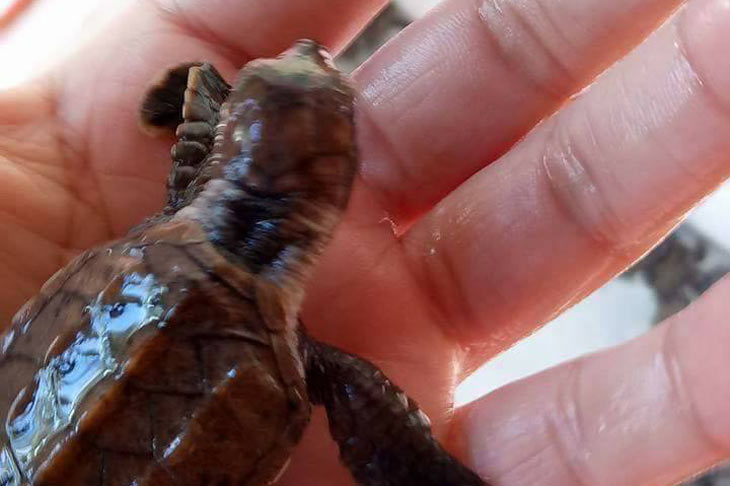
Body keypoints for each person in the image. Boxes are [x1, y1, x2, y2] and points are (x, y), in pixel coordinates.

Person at [1, 0, 729, 484]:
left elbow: (197, 104)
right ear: (335, 189)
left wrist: (192, 98)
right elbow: (394, 451)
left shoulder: (179, 228)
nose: (313, 48)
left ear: (226, 143)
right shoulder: (324, 375)